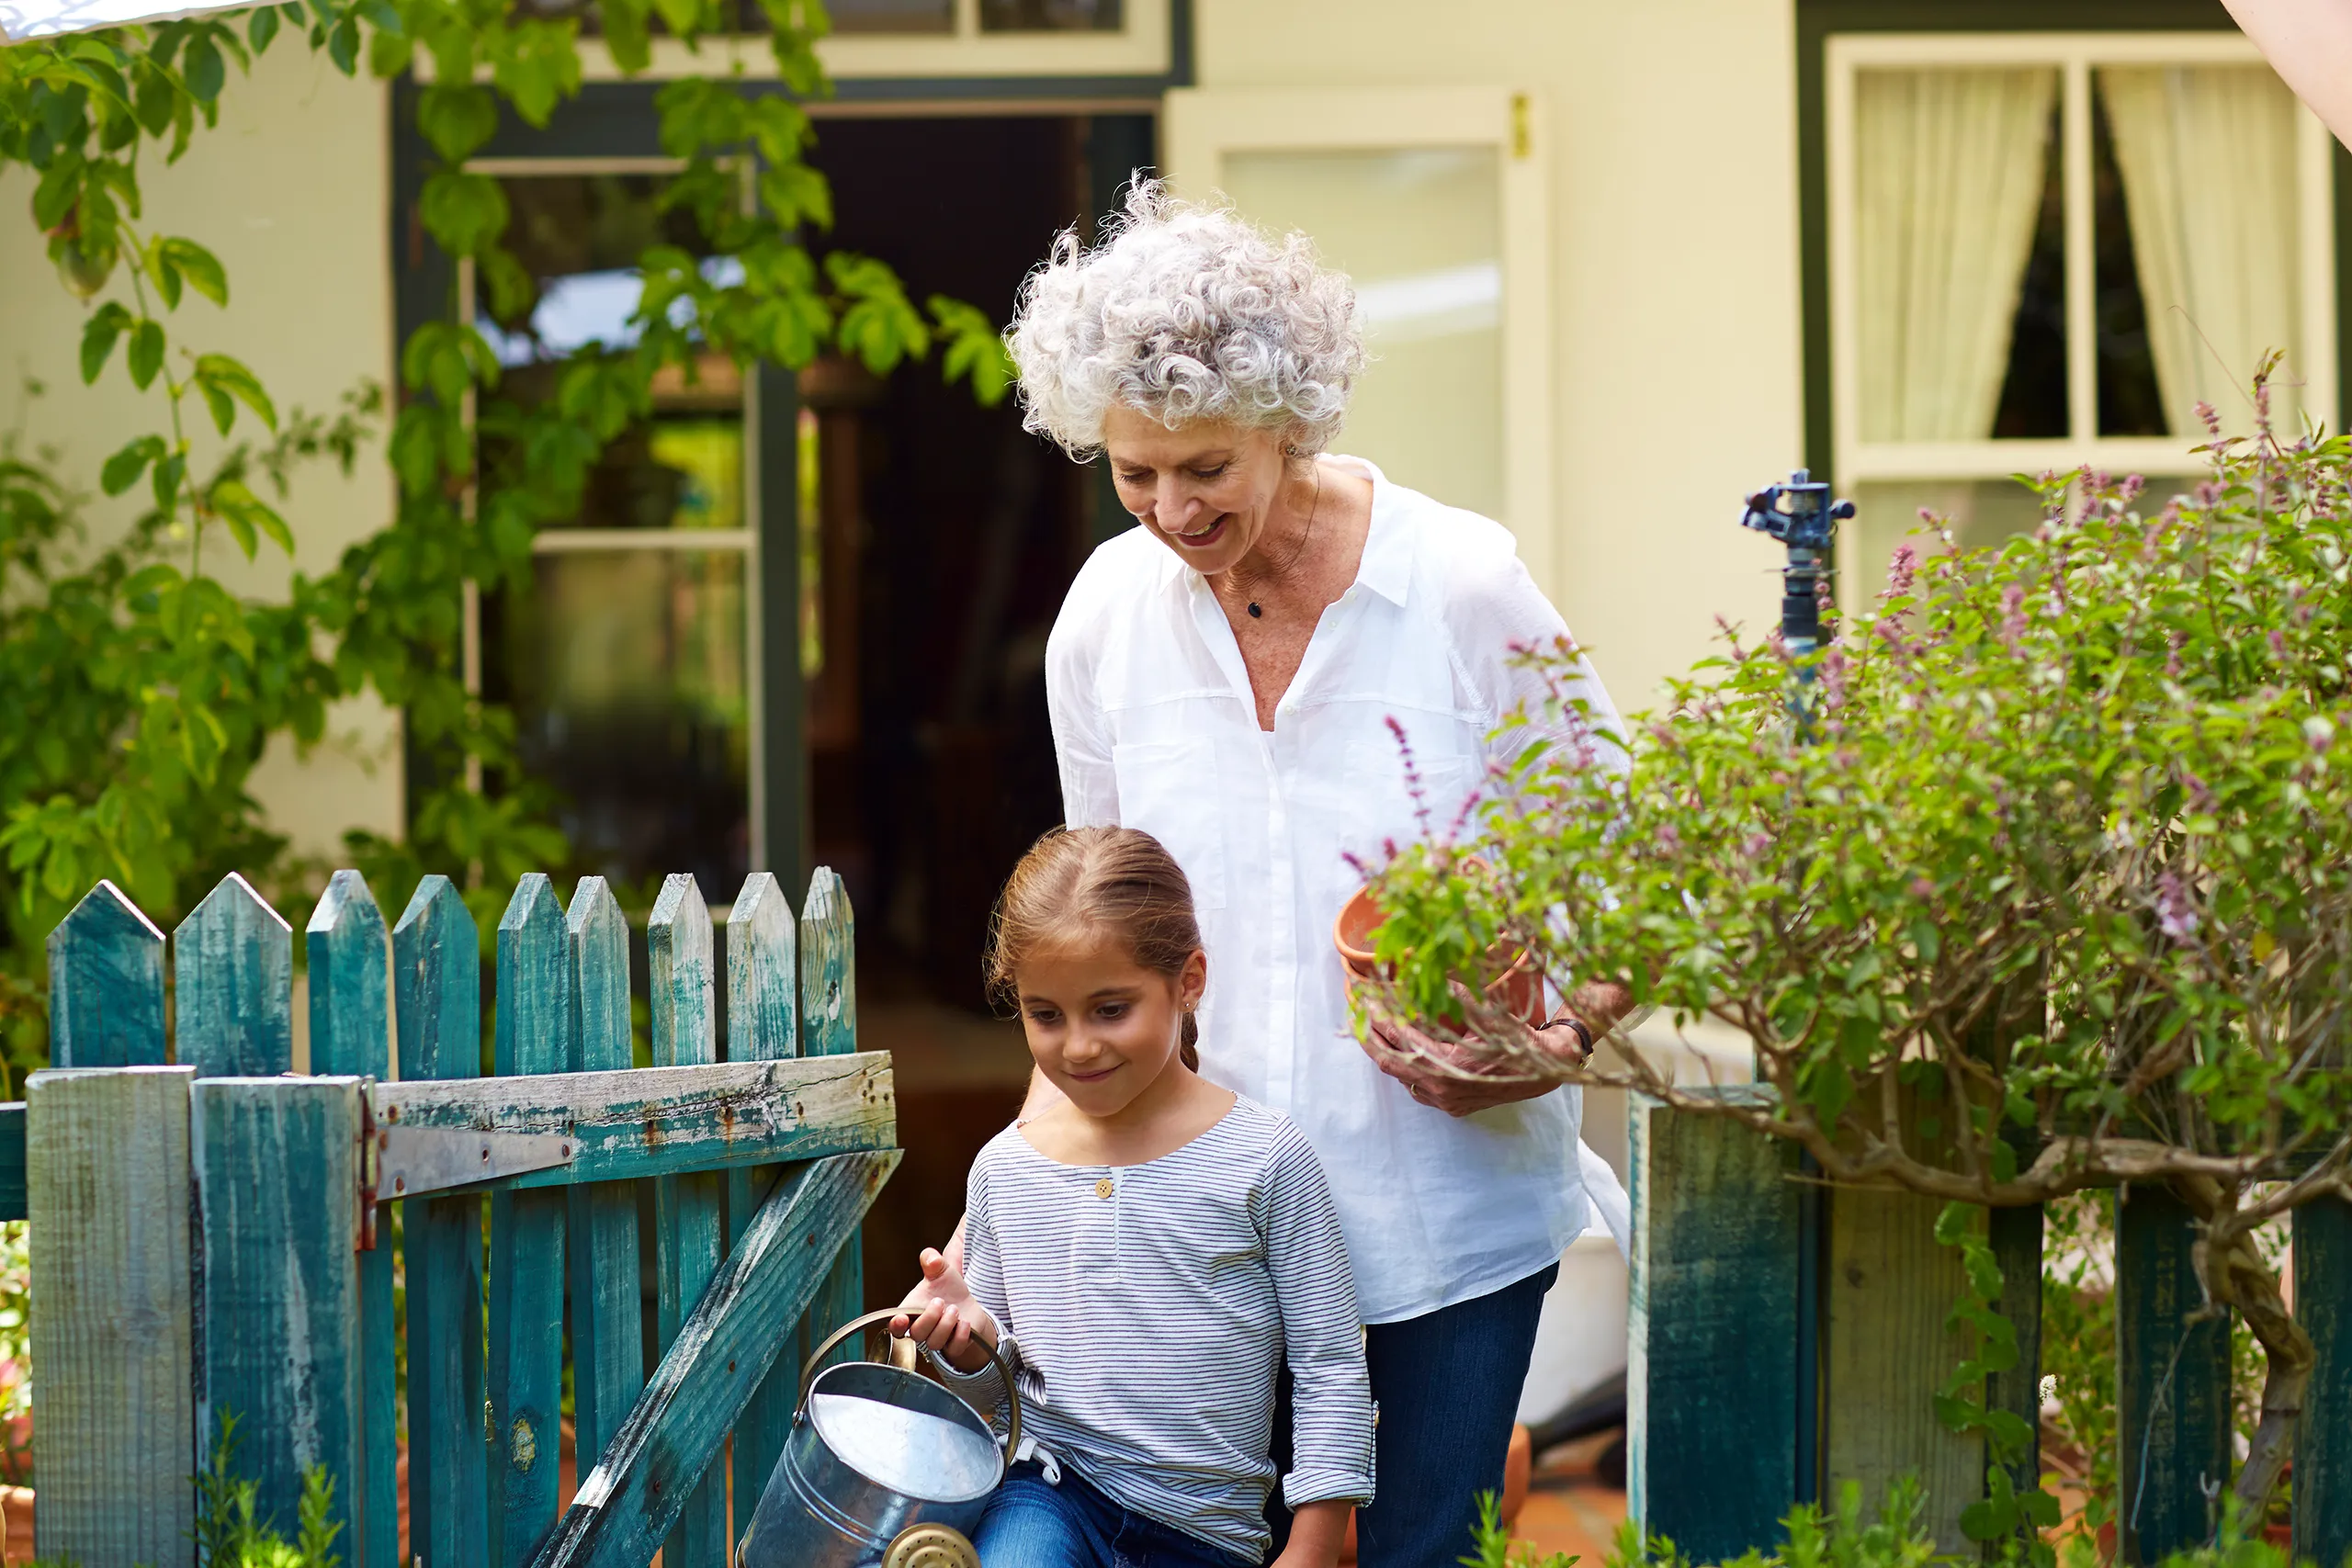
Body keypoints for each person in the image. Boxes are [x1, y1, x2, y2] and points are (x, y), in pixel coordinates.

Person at [928, 178, 1638, 1568]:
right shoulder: (1104, 618)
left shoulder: (1462, 587)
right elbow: (1097, 940)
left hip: (1449, 1216)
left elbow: (1629, 860)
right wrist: (996, 1214)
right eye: (1136, 472)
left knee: (1418, 1546)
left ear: (1289, 422)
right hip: (1206, 1232)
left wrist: (1558, 1039)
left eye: (1207, 469)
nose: (1170, 509)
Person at [894, 826, 1374, 1568]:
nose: (1078, 1046)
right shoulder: (1005, 1168)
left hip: (1205, 1529)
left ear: (1190, 980)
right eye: (1045, 1014)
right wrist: (968, 1338)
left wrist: (1310, 1547)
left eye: (1110, 1008)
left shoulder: (1265, 1157)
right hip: (1047, 1490)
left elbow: (1330, 1363)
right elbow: (996, 1401)